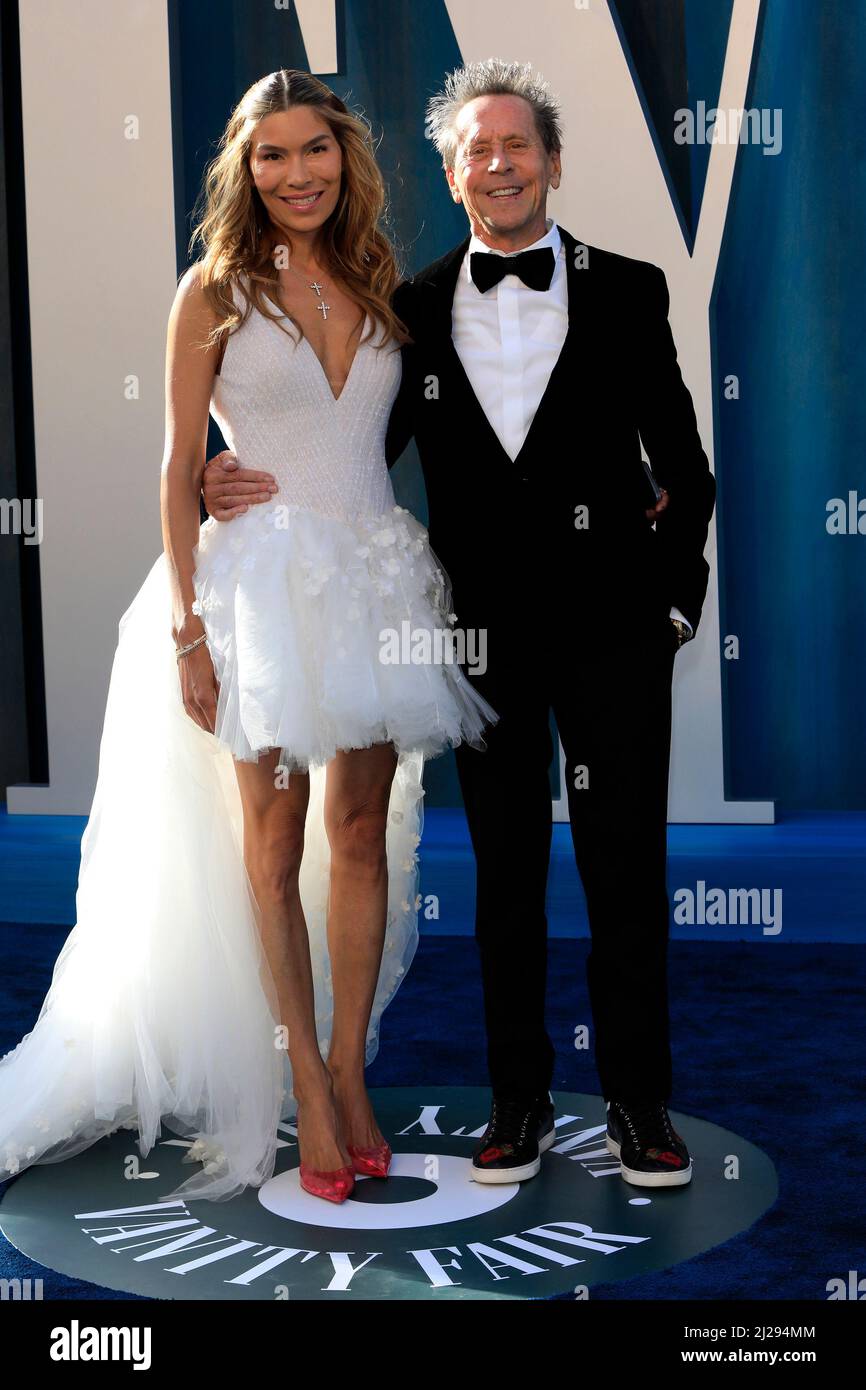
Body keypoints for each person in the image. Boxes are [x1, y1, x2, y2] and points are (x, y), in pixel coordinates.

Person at [203, 59, 717, 1190]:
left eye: (516, 145)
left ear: (551, 161)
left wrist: (674, 606)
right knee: (503, 873)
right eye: (476, 149)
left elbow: (682, 465)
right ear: (450, 170)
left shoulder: (629, 289)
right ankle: (517, 1103)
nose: (498, 164)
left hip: (616, 632)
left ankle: (639, 1106)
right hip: (476, 641)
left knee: (625, 868)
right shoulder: (410, 309)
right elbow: (348, 463)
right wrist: (226, 484)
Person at [0, 69, 496, 1207]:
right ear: (244, 167)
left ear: (344, 157)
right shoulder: (212, 290)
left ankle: (348, 1072)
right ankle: (305, 1098)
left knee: (361, 834)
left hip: (372, 579)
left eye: (312, 149)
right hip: (254, 595)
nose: (295, 173)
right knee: (270, 854)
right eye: (269, 156)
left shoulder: (380, 282)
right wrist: (188, 628)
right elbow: (178, 469)